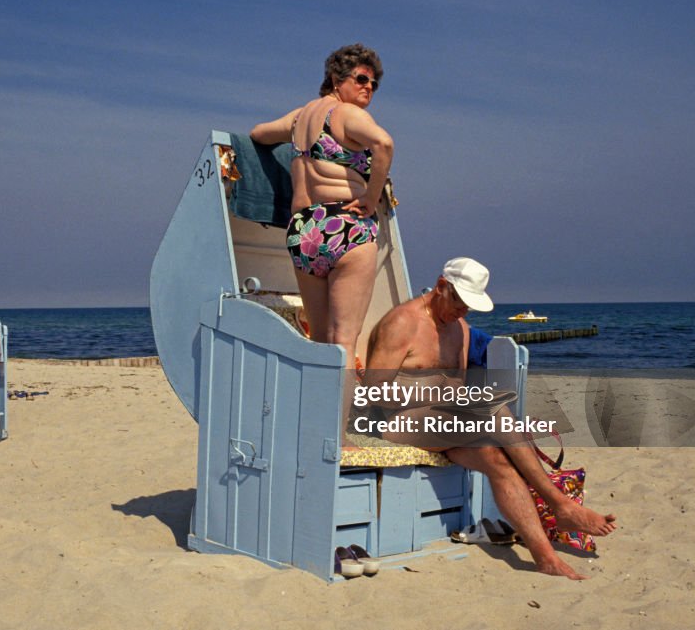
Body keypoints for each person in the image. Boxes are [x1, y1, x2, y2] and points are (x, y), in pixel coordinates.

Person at [363, 257, 616, 579]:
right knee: (494, 409)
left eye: (470, 306)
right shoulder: (402, 324)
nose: (463, 312)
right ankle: (559, 504)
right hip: (392, 422)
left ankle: (544, 557)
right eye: (460, 303)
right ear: (442, 286)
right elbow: (373, 393)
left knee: (497, 459)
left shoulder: (460, 329)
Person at [250, 44, 394, 438]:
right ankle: (338, 438)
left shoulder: (300, 119)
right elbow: (384, 144)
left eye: (374, 83)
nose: (368, 88)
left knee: (319, 340)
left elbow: (258, 134)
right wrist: (369, 196)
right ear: (336, 79)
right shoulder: (348, 114)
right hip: (345, 225)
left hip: (304, 230)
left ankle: (313, 428)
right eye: (361, 79)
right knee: (344, 343)